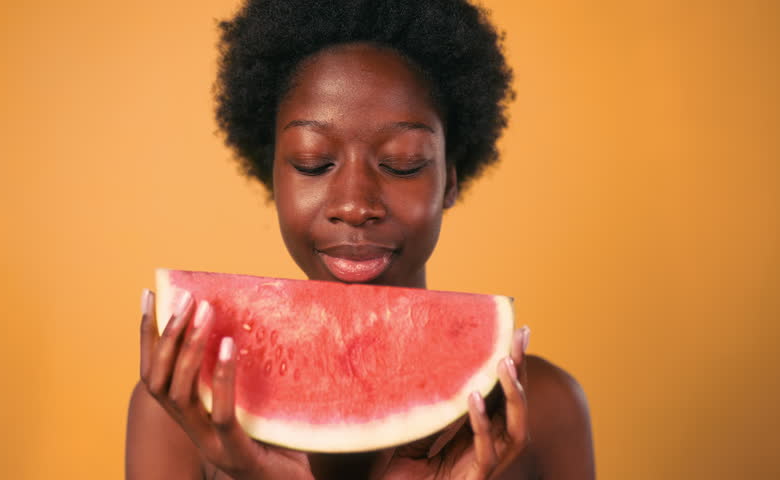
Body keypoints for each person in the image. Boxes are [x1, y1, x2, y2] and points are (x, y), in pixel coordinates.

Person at [125, 0, 595, 478]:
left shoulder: (545, 410)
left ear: (449, 182)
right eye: (312, 162)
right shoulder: (180, 409)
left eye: (402, 163)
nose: (354, 204)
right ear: (273, 177)